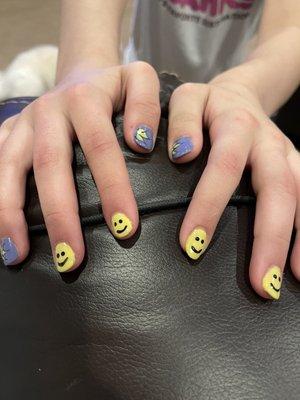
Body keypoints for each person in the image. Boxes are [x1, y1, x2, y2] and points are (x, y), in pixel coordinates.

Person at [0, 0, 299, 301]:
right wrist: (83, 68)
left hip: (243, 113)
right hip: (137, 92)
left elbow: (289, 27)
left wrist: (246, 89)